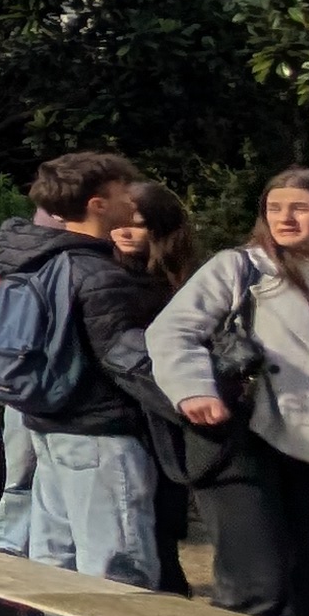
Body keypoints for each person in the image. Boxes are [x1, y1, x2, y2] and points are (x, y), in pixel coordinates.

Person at [148, 169, 309, 616]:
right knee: (257, 585)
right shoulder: (241, 267)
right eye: (274, 208)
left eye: (300, 207)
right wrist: (193, 390)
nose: (284, 218)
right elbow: (172, 331)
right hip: (241, 436)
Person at [0, 152, 170, 589]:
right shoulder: (98, 273)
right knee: (115, 571)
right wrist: (190, 401)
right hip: (100, 434)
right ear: (98, 203)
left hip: (47, 425)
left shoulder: (37, 259)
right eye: (123, 192)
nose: (131, 202)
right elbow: (125, 358)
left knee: (55, 561)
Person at [114, 183, 208, 590]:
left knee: (165, 506)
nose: (125, 232)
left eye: (139, 225)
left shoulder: (188, 279)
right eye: (120, 223)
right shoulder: (104, 270)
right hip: (126, 408)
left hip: (166, 408)